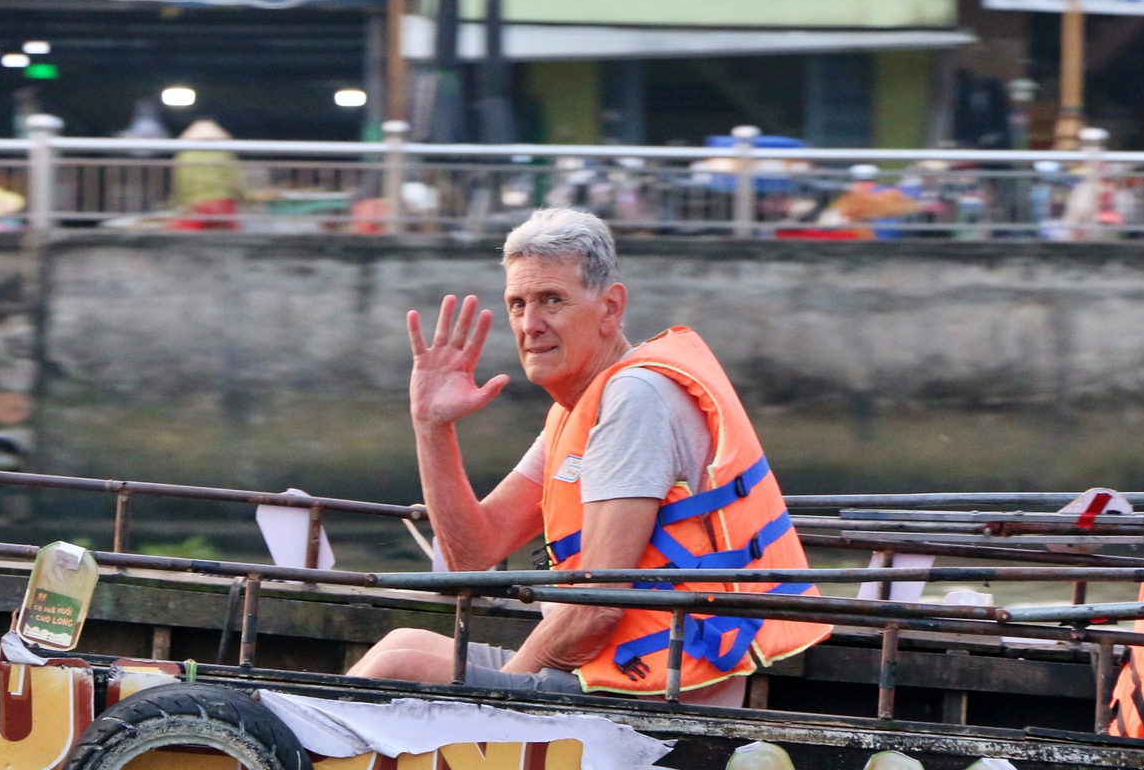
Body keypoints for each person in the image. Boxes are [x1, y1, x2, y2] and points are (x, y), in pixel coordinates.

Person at [348, 208, 829, 704]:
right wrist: (432, 426)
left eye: (552, 301)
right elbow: (470, 556)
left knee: (399, 665)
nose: (530, 325)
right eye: (517, 305)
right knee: (401, 644)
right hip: (599, 668)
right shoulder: (578, 409)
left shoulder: (635, 398)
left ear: (611, 308)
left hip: (654, 691)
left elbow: (597, 607)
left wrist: (508, 692)